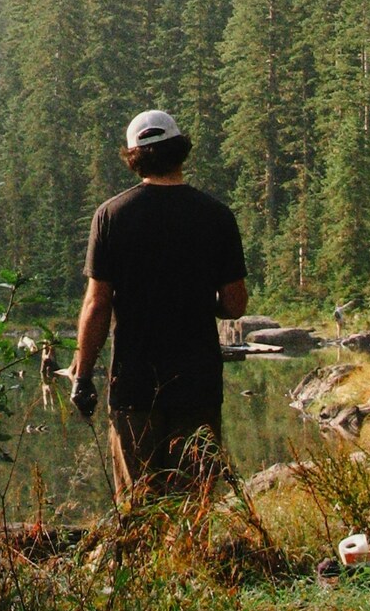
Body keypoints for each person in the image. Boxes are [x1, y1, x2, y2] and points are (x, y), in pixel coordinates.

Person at [69, 108, 248, 499]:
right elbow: (235, 305)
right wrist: (201, 301)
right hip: (197, 384)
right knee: (194, 506)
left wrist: (83, 377)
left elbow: (97, 306)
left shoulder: (111, 216)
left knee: (139, 504)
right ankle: (188, 561)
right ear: (180, 151)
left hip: (133, 386)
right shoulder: (217, 216)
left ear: (134, 158)